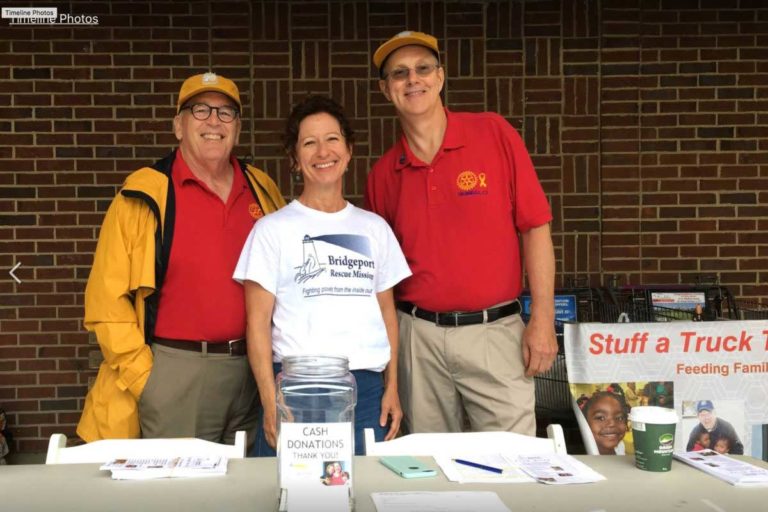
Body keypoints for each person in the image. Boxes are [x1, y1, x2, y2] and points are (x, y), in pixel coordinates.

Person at [76, 73, 286, 447]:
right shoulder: (143, 194)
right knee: (181, 483)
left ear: (237, 128)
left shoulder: (262, 189)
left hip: (254, 373)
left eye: (225, 112)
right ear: (178, 125)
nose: (214, 121)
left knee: (249, 481)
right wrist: (146, 379)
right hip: (177, 373)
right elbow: (106, 301)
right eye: (200, 110)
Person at [365, 31, 557, 435]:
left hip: (495, 332)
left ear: (440, 77)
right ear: (385, 89)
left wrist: (542, 319)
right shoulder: (383, 174)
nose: (412, 79)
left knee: (512, 458)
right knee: (429, 463)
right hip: (419, 338)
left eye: (423, 68)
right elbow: (381, 280)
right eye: (399, 73)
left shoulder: (493, 133)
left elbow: (535, 228)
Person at [234, 95, 411, 456]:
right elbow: (257, 324)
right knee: (290, 486)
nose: (322, 152)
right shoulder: (271, 230)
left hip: (366, 390)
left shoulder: (374, 229)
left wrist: (392, 387)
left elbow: (387, 315)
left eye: (332, 139)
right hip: (296, 388)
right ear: (294, 159)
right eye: (309, 143)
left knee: (365, 485)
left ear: (348, 150)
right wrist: (270, 401)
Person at [581, 391, 628, 455]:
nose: (612, 423)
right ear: (585, 423)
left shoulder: (620, 446)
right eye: (601, 418)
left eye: (619, 418)